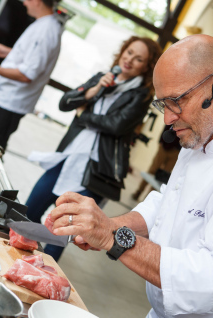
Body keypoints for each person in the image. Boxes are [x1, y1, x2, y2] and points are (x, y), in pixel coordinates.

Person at [48, 34, 213, 317]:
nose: (168, 119)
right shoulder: (205, 128)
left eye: (176, 101)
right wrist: (107, 225)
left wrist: (114, 237)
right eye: (162, 104)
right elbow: (169, 202)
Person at [25, 36, 163, 261]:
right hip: (69, 157)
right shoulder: (103, 78)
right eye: (128, 52)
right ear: (122, 52)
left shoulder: (141, 95)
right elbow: (66, 102)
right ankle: (14, 255)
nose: (129, 60)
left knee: (61, 231)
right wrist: (96, 88)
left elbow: (116, 125)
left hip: (96, 171)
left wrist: (83, 114)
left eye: (138, 59)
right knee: (29, 210)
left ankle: (38, 275)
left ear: (146, 66)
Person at [0, 0, 61, 150]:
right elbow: (32, 59)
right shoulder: (43, 24)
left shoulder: (46, 31)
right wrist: (5, 51)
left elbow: (27, 75)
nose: (24, 3)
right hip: (2, 98)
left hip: (8, 104)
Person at [132, 125, 181, 201]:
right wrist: (161, 141)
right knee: (152, 170)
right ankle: (139, 191)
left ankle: (148, 198)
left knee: (162, 178)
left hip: (176, 151)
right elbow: (166, 126)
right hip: (164, 146)